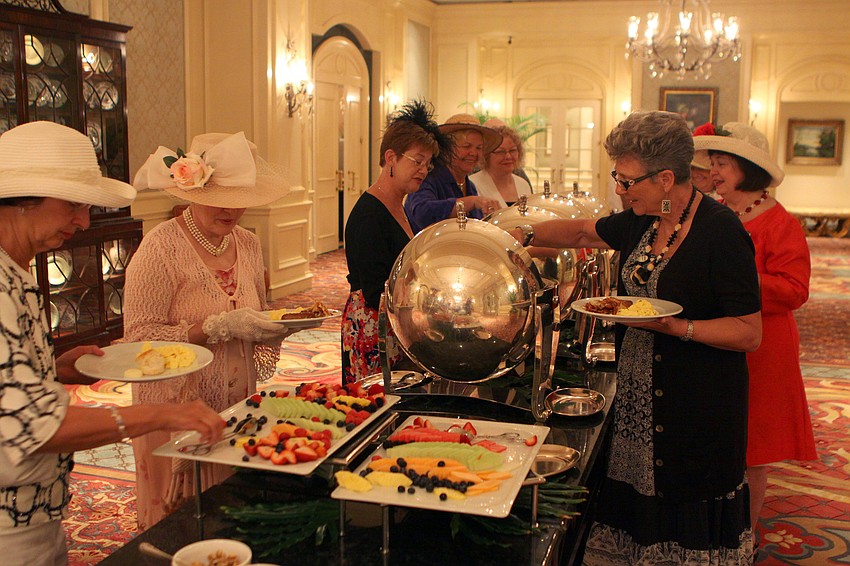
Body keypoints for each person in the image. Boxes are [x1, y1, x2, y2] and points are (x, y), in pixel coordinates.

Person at [510, 111, 761, 563]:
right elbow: (585, 230)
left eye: (627, 181)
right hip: (639, 403)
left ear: (666, 178)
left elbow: (748, 333)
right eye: (617, 178)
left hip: (697, 407)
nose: (620, 191)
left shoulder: (721, 232)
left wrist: (676, 327)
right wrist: (519, 234)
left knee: (684, 513)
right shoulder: (644, 218)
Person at [0, 121, 225, 565]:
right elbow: (35, 426)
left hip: (34, 511)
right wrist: (161, 412)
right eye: (72, 205)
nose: (83, 221)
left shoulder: (15, 270)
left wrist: (50, 369)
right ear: (22, 199)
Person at [125, 131, 292, 530]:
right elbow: (138, 339)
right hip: (174, 407)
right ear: (195, 193)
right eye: (221, 198)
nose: (232, 211)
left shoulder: (249, 244)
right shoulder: (160, 248)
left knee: (225, 514)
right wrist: (214, 327)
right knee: (179, 523)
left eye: (240, 200)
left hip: (234, 402)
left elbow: (258, 312)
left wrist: (270, 328)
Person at [695, 122, 817, 536]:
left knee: (751, 449)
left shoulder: (780, 224)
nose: (714, 172)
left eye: (722, 164)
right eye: (712, 164)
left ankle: (744, 533)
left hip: (762, 349)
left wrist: (737, 276)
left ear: (747, 168)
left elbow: (795, 290)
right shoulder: (715, 213)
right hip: (717, 340)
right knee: (720, 441)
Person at [342, 100, 450, 383]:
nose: (424, 170)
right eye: (417, 161)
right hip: (372, 326)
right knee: (375, 405)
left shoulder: (397, 205)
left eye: (428, 163)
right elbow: (375, 290)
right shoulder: (368, 213)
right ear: (391, 158)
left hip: (395, 321)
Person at [403, 113, 502, 232]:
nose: (473, 153)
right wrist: (471, 202)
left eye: (479, 148)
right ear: (447, 149)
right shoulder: (428, 178)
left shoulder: (470, 186)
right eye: (467, 146)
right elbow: (422, 213)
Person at [470, 123, 533, 208]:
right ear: (486, 155)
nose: (508, 156)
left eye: (512, 150)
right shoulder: (473, 184)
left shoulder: (523, 184)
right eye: (500, 152)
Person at [691, 123, 718, 198]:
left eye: (701, 168)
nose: (695, 173)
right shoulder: (675, 196)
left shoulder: (724, 201)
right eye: (692, 168)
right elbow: (665, 209)